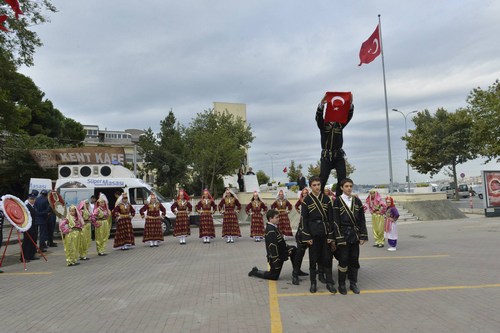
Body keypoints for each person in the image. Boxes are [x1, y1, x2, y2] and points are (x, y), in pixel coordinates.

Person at [301, 176, 336, 293]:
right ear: (310, 186)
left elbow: (331, 219)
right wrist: (307, 236)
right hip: (313, 233)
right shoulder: (306, 201)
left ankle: (329, 282)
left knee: (327, 258)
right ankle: (313, 283)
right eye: (314, 185)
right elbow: (304, 220)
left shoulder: (326, 199)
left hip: (325, 232)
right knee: (313, 259)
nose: (317, 187)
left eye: (318, 185)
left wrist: (331, 235)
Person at [332, 178, 368, 295]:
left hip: (354, 235)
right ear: (342, 188)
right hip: (343, 235)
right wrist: (339, 237)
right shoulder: (337, 201)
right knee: (343, 260)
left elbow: (362, 220)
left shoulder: (357, 201)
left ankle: (353, 283)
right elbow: (335, 221)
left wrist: (362, 235)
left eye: (350, 186)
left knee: (354, 259)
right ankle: (342, 284)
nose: (349, 188)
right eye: (346, 186)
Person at [316, 96, 354, 197]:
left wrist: (350, 105)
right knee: (322, 178)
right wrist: (322, 104)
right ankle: (319, 198)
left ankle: (339, 198)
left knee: (342, 178)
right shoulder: (323, 125)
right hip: (326, 155)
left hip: (338, 155)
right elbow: (318, 118)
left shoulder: (340, 124)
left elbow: (348, 117)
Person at [248, 209, 298, 281]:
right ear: (270, 219)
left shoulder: (274, 227)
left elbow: (281, 242)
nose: (278, 219)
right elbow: (273, 247)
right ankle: (255, 272)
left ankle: (296, 272)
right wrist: (279, 257)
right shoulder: (270, 230)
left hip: (281, 253)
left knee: (293, 249)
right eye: (276, 217)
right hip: (276, 257)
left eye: (278, 217)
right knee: (273, 276)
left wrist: (287, 249)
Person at [292, 188, 311, 284]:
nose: (305, 195)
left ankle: (319, 273)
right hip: (302, 229)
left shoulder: (311, 201)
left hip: (312, 229)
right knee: (300, 252)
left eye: (306, 193)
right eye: (304, 194)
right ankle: (295, 273)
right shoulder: (302, 202)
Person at [21, 192, 40, 262]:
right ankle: (24, 257)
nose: (33, 200)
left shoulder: (33, 206)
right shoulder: (26, 206)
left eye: (34, 199)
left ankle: (31, 255)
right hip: (28, 226)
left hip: (34, 226)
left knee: (33, 241)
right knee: (27, 242)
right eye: (31, 199)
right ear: (28, 199)